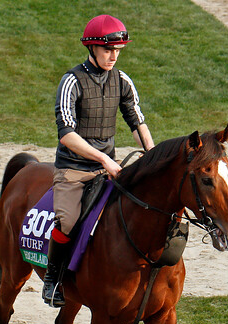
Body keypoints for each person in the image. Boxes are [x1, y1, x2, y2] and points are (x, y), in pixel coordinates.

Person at [42, 14, 155, 307]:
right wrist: (103, 158)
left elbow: (136, 121)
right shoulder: (71, 81)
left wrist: (152, 156)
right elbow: (66, 134)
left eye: (118, 50)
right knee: (67, 222)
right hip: (74, 171)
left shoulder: (122, 80)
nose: (113, 56)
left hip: (108, 169)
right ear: (92, 48)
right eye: (108, 49)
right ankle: (52, 281)